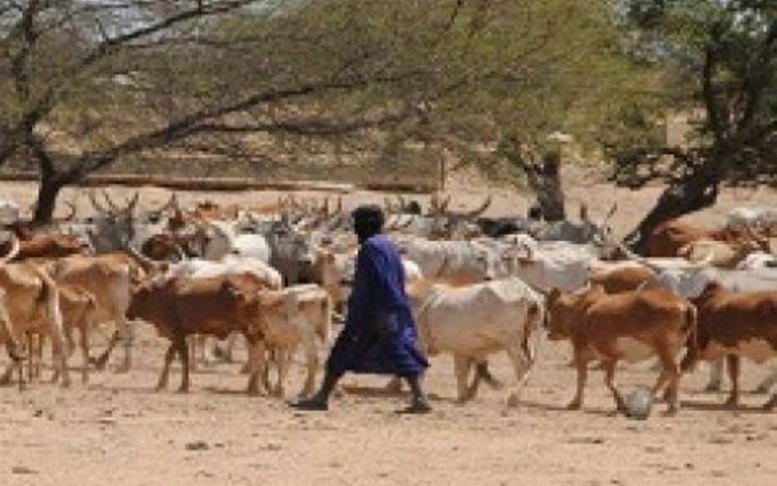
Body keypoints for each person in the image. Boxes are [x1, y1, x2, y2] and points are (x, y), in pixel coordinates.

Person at [289, 204, 431, 413]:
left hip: (373, 310)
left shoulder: (371, 248)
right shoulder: (387, 245)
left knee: (348, 350)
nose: (355, 229)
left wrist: (374, 310)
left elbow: (379, 280)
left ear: (365, 225)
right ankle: (419, 397)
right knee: (397, 351)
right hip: (388, 307)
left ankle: (321, 398)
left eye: (357, 224)